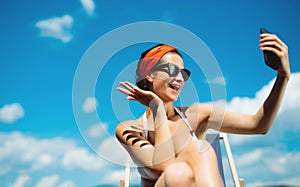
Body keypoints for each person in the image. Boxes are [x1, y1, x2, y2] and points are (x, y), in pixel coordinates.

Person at [115, 32, 290, 187]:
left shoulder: (195, 115)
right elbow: (164, 165)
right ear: (150, 75)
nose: (180, 78)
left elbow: (258, 125)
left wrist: (282, 77)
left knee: (183, 171)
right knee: (183, 163)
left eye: (184, 74)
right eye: (172, 70)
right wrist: (157, 109)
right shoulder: (130, 129)